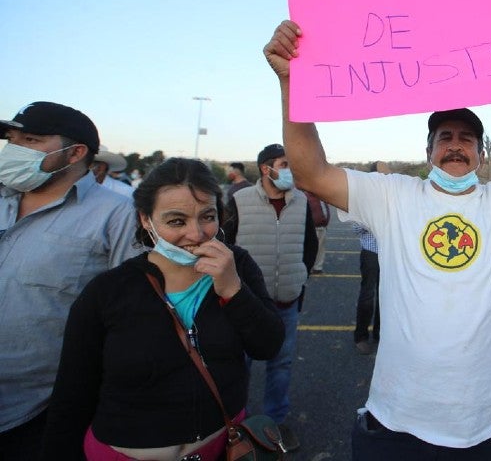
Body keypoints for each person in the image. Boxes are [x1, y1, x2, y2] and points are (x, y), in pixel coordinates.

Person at [263, 2, 491, 458]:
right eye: (445, 137)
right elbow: (311, 173)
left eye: (467, 139)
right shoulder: (393, 196)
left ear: (480, 153)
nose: (456, 146)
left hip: (482, 423)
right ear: (428, 150)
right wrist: (291, 82)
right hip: (395, 418)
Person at [39, 157, 285, 459]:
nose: (196, 234)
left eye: (207, 216)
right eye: (176, 221)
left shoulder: (238, 265)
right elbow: (72, 397)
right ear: (146, 219)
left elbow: (268, 345)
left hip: (222, 446)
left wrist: (233, 289)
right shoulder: (108, 292)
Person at [0, 101, 135, 459]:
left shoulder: (117, 214)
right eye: (10, 140)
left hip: (41, 410)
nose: (13, 151)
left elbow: (129, 314)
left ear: (75, 153)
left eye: (28, 140)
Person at [222, 143, 316, 452]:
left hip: (286, 302)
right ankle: (237, 425)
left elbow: (309, 247)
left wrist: (298, 279)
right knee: (239, 365)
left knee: (282, 364)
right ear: (266, 168)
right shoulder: (239, 200)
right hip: (244, 303)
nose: (290, 170)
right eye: (284, 164)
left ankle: (274, 424)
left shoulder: (301, 201)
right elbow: (225, 244)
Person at [352, 222, 381, 354]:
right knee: (367, 295)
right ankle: (361, 336)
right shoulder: (366, 201)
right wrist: (374, 219)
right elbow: (356, 228)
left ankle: (380, 334)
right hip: (371, 251)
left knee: (387, 295)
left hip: (391, 252)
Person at [306, 190, 331, 274]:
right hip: (312, 227)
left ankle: (317, 267)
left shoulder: (321, 197)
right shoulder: (306, 197)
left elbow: (325, 210)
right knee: (311, 248)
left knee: (320, 248)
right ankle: (310, 266)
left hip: (322, 227)